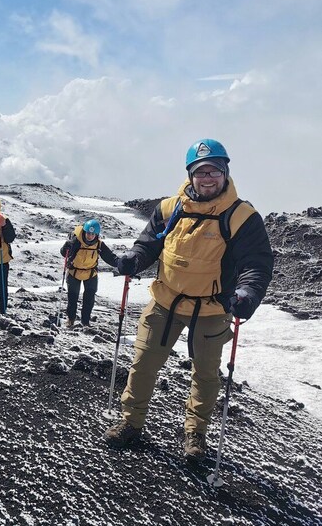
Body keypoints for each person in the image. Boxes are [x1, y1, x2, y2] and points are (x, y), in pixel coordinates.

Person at [104, 139, 273, 461]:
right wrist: (133, 261)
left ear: (225, 173)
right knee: (142, 365)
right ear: (190, 174)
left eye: (214, 171)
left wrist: (247, 293)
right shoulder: (170, 209)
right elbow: (148, 245)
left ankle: (196, 434)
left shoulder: (241, 217)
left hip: (211, 310)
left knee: (206, 375)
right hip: (164, 302)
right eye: (201, 172)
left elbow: (256, 263)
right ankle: (131, 422)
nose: (207, 178)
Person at [59, 218, 119, 327]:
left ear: (97, 234)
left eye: (93, 234)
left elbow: (110, 257)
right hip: (74, 272)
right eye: (88, 233)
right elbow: (64, 253)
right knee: (73, 297)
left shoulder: (99, 245)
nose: (90, 236)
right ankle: (71, 320)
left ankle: (85, 322)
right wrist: (66, 246)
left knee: (89, 299)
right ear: (85, 232)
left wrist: (121, 263)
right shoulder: (76, 241)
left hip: (91, 274)